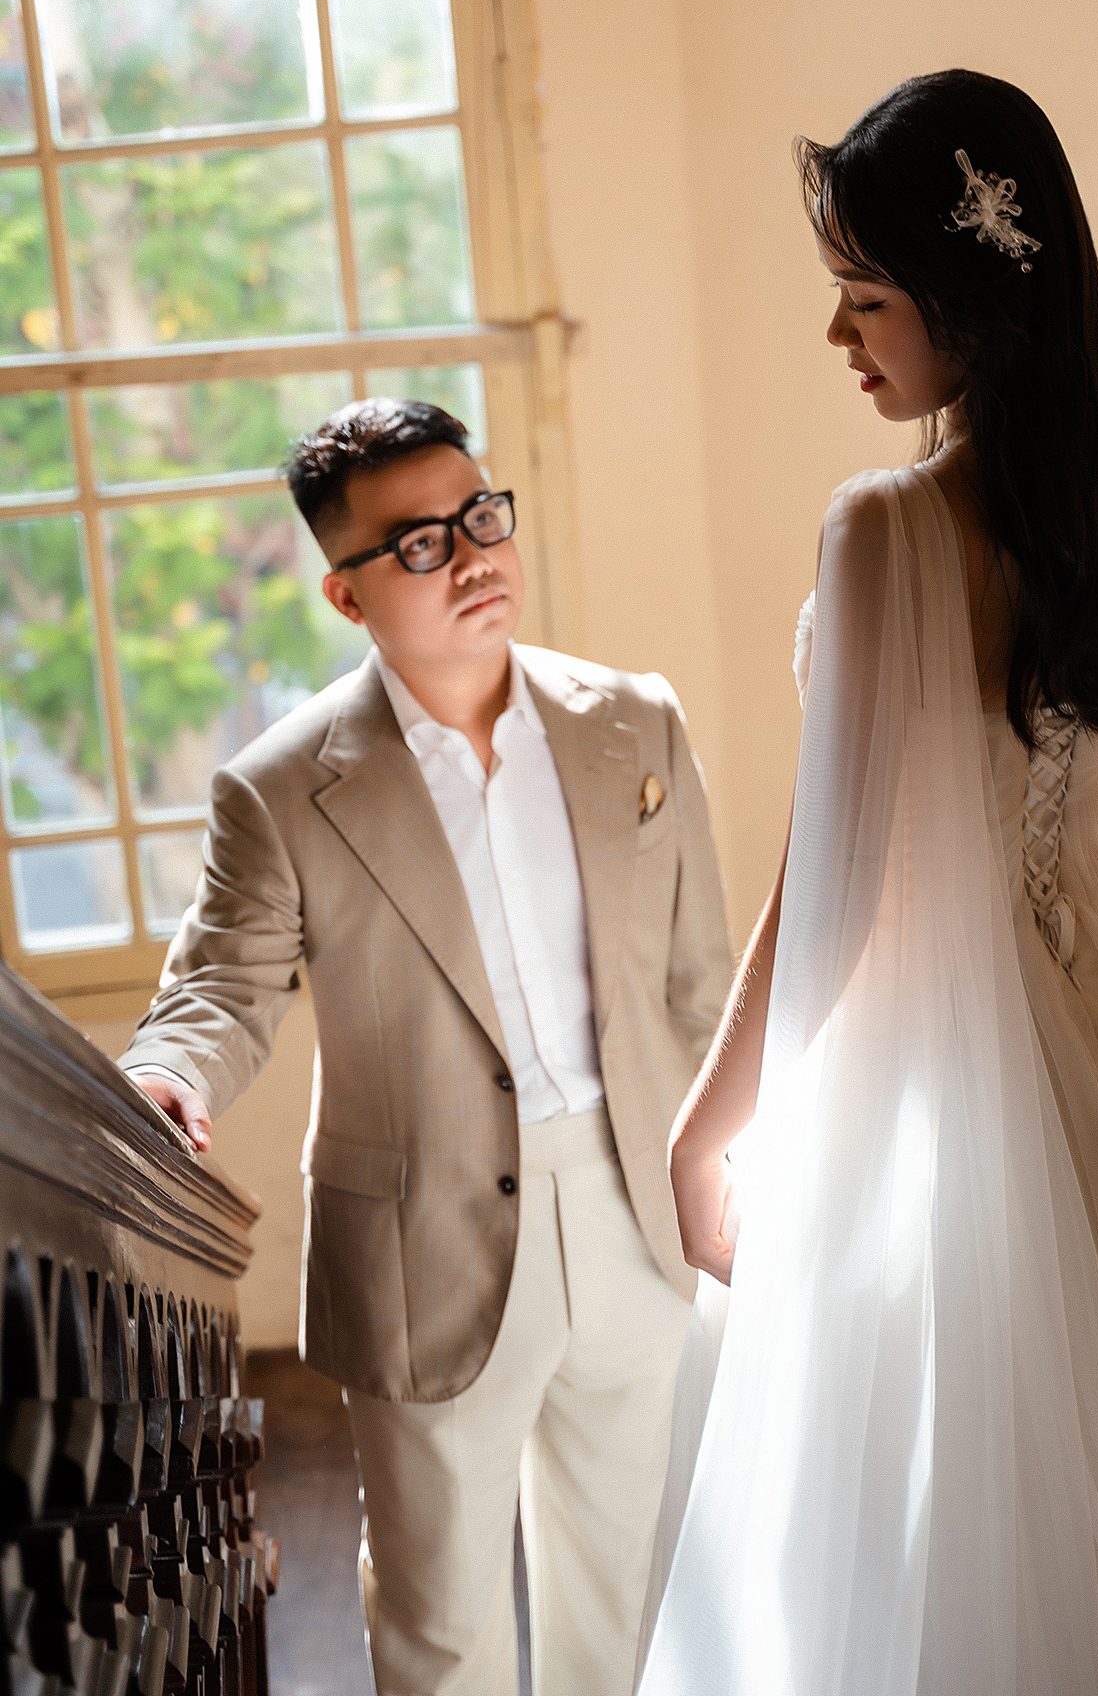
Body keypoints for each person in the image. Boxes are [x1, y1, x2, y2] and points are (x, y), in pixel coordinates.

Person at [636, 72, 1098, 1694]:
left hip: (938, 1075)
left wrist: (705, 1131)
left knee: (927, 1514)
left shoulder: (886, 528)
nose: (839, 336)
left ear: (968, 301)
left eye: (864, 298)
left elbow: (833, 899)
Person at [118, 397, 732, 1696]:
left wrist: (722, 1170)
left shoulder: (636, 722)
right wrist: (168, 1074)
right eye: (418, 544)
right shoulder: (281, 787)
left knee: (627, 1591)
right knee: (441, 1618)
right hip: (422, 1243)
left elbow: (697, 984)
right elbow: (220, 985)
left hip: (636, 1211)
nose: (471, 558)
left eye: (479, 517)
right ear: (346, 594)